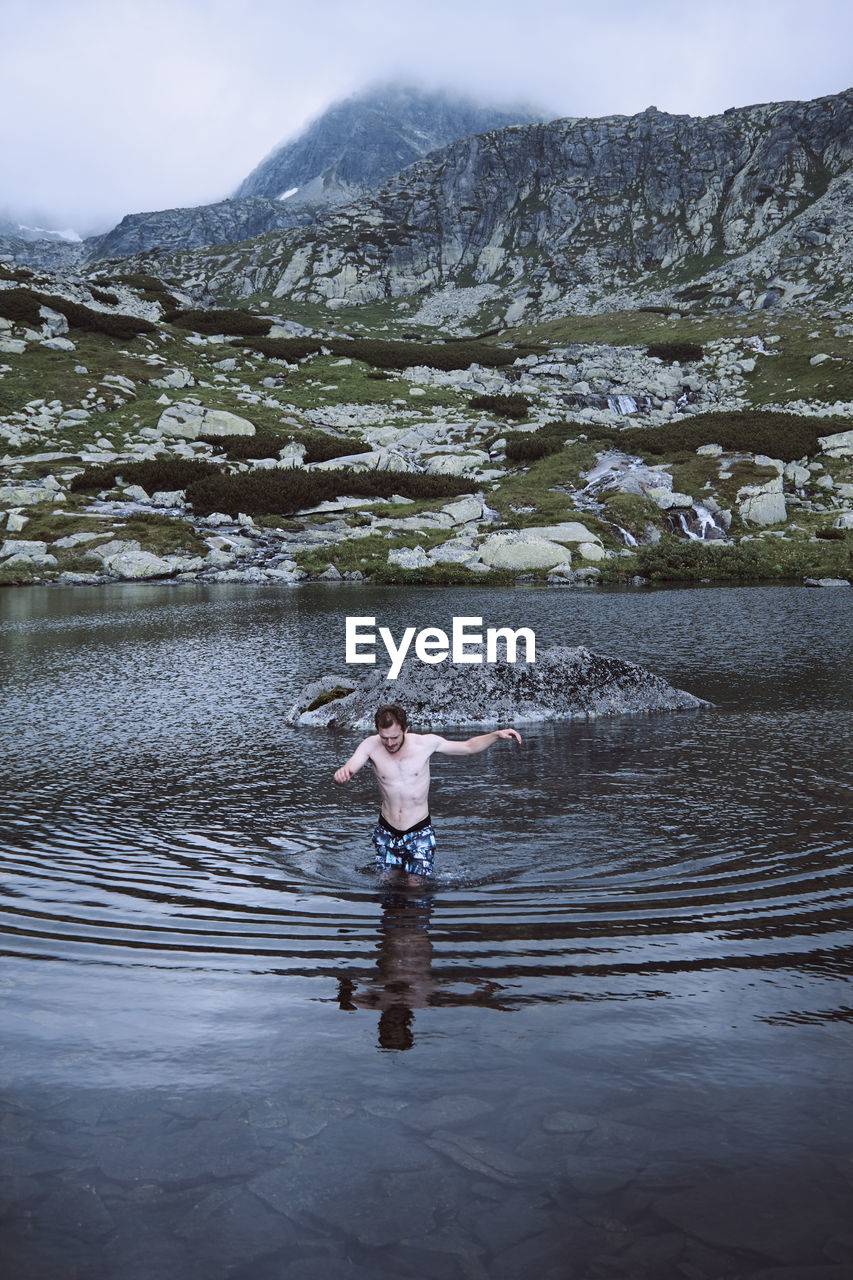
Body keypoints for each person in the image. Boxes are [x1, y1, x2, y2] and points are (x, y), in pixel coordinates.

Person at [333, 704, 522, 879]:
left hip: (419, 830)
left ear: (405, 729)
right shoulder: (370, 745)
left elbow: (468, 747)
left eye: (394, 737)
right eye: (385, 738)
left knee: (417, 889)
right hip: (387, 830)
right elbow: (350, 767)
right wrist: (342, 776)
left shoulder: (425, 744)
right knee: (387, 887)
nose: (389, 743)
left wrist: (496, 735)